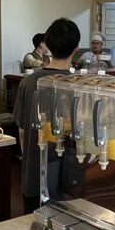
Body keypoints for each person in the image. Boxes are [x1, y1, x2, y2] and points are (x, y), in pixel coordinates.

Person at [14, 18, 80, 214]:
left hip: (34, 174)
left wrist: (29, 161)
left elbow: (22, 132)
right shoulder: (79, 85)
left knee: (33, 226)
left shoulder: (28, 82)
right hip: (70, 177)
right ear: (76, 48)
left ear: (48, 46)